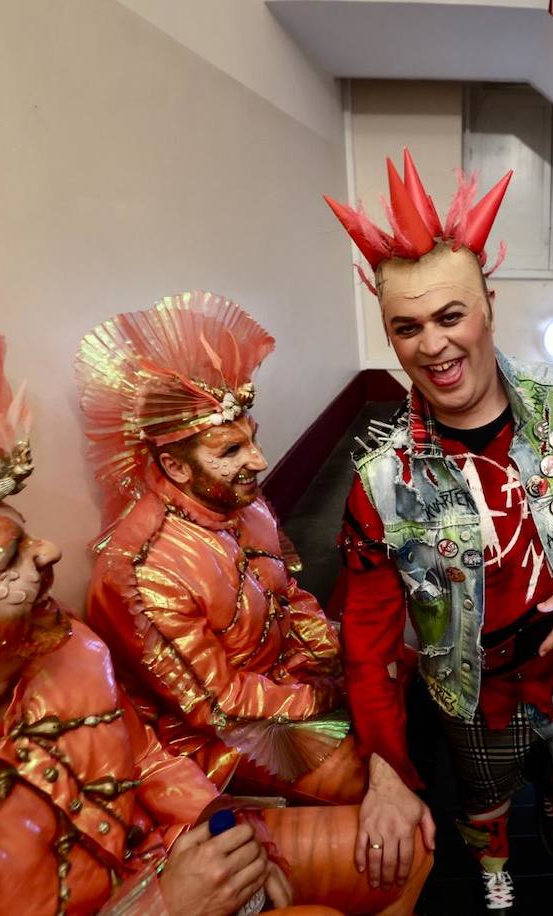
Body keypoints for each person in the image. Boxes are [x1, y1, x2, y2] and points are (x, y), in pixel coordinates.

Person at [0, 327, 292, 915]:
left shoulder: (67, 643)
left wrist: (218, 830)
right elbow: (216, 702)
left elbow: (146, 757)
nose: (49, 552)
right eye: (8, 560)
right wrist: (161, 907)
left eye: (26, 536)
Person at [326, 151, 553, 910]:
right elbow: (368, 640)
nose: (434, 346)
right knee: (483, 804)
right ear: (389, 334)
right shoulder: (381, 481)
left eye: (450, 316)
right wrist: (386, 759)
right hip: (471, 692)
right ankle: (492, 870)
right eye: (406, 328)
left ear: (489, 306)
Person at [77, 293, 365, 805]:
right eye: (231, 451)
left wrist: (334, 660)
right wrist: (320, 697)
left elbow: (289, 593)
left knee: (396, 671)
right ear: (175, 468)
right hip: (221, 734)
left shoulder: (243, 504)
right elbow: (216, 704)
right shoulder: (145, 572)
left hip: (290, 677)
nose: (259, 460)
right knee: (356, 773)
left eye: (252, 439)